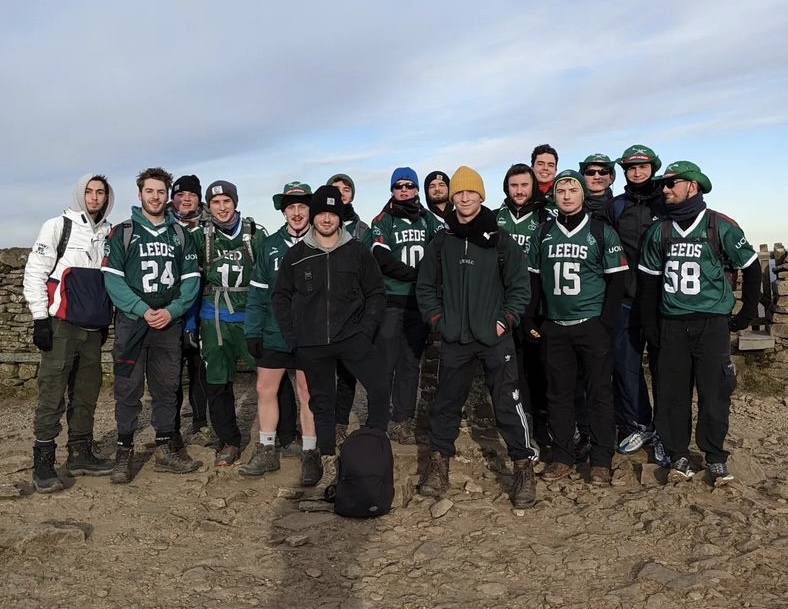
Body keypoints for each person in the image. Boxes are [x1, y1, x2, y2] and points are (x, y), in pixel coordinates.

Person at [415, 166, 537, 508]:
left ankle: (523, 467)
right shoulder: (442, 240)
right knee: (445, 404)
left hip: (495, 338)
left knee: (509, 403)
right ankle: (438, 464)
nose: (465, 198)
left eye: (471, 192)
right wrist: (439, 321)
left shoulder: (501, 240)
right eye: (459, 193)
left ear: (481, 196)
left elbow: (519, 287)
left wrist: (504, 321)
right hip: (454, 338)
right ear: (452, 198)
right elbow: (425, 287)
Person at [638, 161, 759, 485]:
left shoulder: (719, 226)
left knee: (714, 393)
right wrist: (650, 322)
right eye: (663, 184)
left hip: (711, 323)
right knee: (672, 394)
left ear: (692, 186)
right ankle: (678, 455)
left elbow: (751, 265)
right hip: (673, 323)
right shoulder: (659, 230)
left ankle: (715, 457)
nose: (664, 189)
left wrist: (747, 310)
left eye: (671, 183)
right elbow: (648, 281)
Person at [272, 185, 389, 498]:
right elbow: (281, 296)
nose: (326, 219)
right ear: (313, 215)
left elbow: (376, 293)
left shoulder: (357, 251)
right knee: (322, 404)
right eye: (321, 212)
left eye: (332, 213)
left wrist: (365, 330)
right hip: (311, 344)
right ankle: (328, 463)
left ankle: (376, 449)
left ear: (340, 216)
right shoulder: (296, 255)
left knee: (379, 387)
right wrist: (293, 337)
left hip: (353, 337)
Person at [526, 170, 628, 486]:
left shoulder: (601, 231)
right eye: (561, 191)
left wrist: (604, 322)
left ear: (583, 194)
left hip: (590, 324)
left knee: (599, 393)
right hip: (555, 326)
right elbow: (533, 280)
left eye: (573, 190)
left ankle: (600, 460)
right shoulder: (542, 233)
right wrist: (532, 318)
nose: (567, 196)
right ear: (553, 197)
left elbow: (617, 280)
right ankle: (562, 456)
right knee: (558, 394)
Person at [102, 167, 202, 483]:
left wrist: (172, 311)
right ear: (140, 193)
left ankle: (163, 448)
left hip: (167, 324)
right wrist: (141, 309)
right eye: (150, 191)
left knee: (167, 387)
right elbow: (113, 279)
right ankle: (124, 451)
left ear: (167, 196)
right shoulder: (124, 232)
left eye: (161, 192)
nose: (155, 197)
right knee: (128, 388)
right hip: (133, 323)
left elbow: (191, 280)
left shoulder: (179, 234)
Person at [23, 173, 116, 492]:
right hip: (61, 324)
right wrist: (39, 319)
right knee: (52, 391)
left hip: (93, 327)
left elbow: (107, 279)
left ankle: (80, 453)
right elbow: (34, 272)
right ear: (80, 195)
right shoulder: (58, 227)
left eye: (100, 193)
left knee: (87, 392)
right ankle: (44, 463)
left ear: (107, 197)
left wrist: (105, 321)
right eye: (88, 192)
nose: (94, 198)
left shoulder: (108, 231)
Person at [242, 182, 320, 485]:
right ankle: (266, 448)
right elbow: (257, 294)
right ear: (284, 211)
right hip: (275, 331)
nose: (297, 212)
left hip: (310, 335)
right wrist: (253, 330)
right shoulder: (270, 245)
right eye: (291, 207)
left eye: (302, 206)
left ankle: (310, 452)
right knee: (265, 388)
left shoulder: (320, 243)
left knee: (307, 393)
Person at [191, 180, 266, 466]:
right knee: (218, 381)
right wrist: (190, 323)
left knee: (272, 376)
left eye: (226, 201)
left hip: (249, 314)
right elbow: (191, 277)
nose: (222, 208)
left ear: (235, 202)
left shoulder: (254, 234)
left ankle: (283, 435)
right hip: (215, 317)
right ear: (208, 206)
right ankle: (229, 440)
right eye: (216, 203)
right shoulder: (200, 237)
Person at [371, 167, 443, 444]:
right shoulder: (383, 220)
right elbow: (382, 256)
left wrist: (425, 280)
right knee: (385, 362)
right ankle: (378, 418)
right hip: (392, 300)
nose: (404, 190)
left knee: (410, 363)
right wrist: (417, 276)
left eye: (409, 185)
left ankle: (402, 419)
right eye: (398, 185)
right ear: (392, 190)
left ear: (416, 190)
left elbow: (440, 250)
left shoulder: (429, 220)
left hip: (419, 303)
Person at [608, 145, 667, 458]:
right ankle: (640, 425)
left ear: (653, 168)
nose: (637, 172)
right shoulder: (617, 206)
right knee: (627, 366)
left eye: (643, 167)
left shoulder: (667, 200)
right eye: (631, 168)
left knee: (664, 368)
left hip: (662, 300)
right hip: (627, 300)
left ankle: (665, 431)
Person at [495, 163, 553, 449]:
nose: (519, 191)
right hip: (503, 305)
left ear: (533, 187)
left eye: (524, 185)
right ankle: (517, 423)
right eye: (514, 185)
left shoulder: (546, 217)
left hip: (534, 305)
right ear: (506, 187)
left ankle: (542, 424)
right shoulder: (494, 218)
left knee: (537, 367)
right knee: (509, 367)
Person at [168, 175, 215, 449]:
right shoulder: (162, 225)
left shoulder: (210, 228)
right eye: (181, 194)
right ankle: (170, 429)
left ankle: (201, 424)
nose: (186, 199)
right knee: (170, 373)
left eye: (192, 195)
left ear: (200, 199)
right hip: (171, 310)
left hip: (203, 307)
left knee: (200, 370)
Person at [326, 173, 371, 447]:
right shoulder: (316, 223)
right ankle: (318, 421)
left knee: (345, 372)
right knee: (318, 372)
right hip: (320, 309)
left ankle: (340, 422)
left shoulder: (361, 229)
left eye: (346, 189)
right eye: (335, 189)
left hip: (351, 309)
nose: (341, 193)